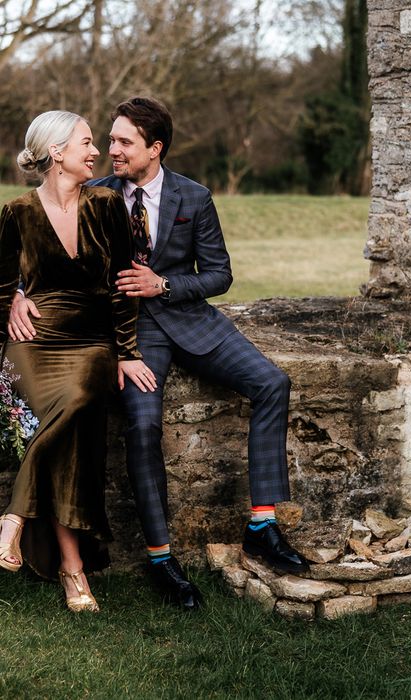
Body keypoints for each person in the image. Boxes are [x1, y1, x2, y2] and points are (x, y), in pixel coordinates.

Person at [9, 97, 309, 611]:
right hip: (130, 337)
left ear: (155, 148)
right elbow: (44, 250)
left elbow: (219, 274)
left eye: (124, 142)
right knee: (143, 426)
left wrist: (163, 283)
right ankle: (160, 556)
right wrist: (15, 292)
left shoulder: (195, 197)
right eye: (108, 139)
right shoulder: (96, 193)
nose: (111, 150)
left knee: (272, 383)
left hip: (192, 321)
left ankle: (262, 523)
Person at [0, 110, 156, 613]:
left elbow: (123, 288)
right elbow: (0, 287)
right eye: (86, 143)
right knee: (69, 428)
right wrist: (12, 301)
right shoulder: (16, 213)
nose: (96, 152)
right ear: (57, 153)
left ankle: (14, 517)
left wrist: (126, 351)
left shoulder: (107, 204)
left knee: (80, 395)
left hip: (91, 342)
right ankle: (74, 572)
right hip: (34, 342)